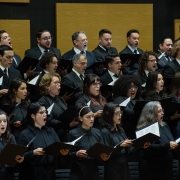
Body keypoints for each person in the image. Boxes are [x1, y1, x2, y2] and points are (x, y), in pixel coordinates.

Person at [17, 102, 69, 180]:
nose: (45, 114)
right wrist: (33, 153)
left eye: (46, 112)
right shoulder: (25, 134)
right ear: (32, 115)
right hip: (32, 173)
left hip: (50, 172)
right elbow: (18, 157)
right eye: (41, 112)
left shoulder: (51, 131)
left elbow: (58, 147)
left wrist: (63, 152)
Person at [136, 101, 178, 180]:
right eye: (159, 111)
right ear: (151, 113)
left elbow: (171, 141)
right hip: (153, 170)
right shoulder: (145, 129)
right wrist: (167, 145)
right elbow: (148, 148)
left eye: (162, 110)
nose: (162, 113)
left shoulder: (164, 125)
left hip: (167, 169)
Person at [68, 103, 108, 180]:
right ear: (80, 118)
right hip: (78, 170)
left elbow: (101, 149)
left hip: (93, 170)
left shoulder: (97, 132)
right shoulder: (73, 133)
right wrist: (76, 154)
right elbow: (66, 154)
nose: (92, 119)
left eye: (93, 116)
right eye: (88, 117)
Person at [38, 72, 78, 141]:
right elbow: (48, 120)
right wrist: (67, 125)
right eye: (56, 83)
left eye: (59, 83)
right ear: (47, 85)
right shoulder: (42, 101)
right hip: (52, 135)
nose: (59, 85)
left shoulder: (60, 98)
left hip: (64, 133)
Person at [101, 102, 135, 180]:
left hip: (124, 168)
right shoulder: (105, 132)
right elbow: (106, 155)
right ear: (109, 115)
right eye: (117, 113)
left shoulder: (121, 130)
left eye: (120, 112)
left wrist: (140, 145)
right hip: (113, 170)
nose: (120, 115)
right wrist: (120, 146)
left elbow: (129, 150)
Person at [113, 75, 142, 139]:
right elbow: (127, 112)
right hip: (127, 131)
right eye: (130, 87)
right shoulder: (119, 99)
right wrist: (143, 111)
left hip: (139, 129)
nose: (133, 89)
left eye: (135, 87)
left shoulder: (139, 99)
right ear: (123, 88)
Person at [0, 110, 24, 180]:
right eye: (0, 121)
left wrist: (20, 159)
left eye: (5, 121)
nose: (3, 124)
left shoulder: (11, 137)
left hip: (9, 174)